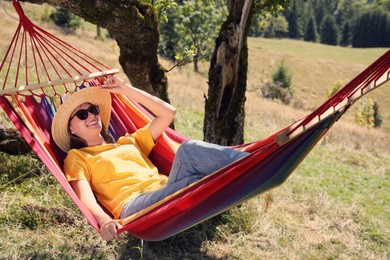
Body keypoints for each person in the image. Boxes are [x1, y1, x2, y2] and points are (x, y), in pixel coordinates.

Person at [51, 76, 248, 241]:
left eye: (93, 110)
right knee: (194, 176)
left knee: (188, 150)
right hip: (134, 206)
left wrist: (125, 89)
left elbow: (168, 114)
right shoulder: (77, 157)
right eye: (82, 114)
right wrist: (104, 220)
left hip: (167, 188)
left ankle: (254, 162)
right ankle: (246, 168)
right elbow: (85, 197)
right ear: (71, 129)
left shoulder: (128, 142)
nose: (91, 116)